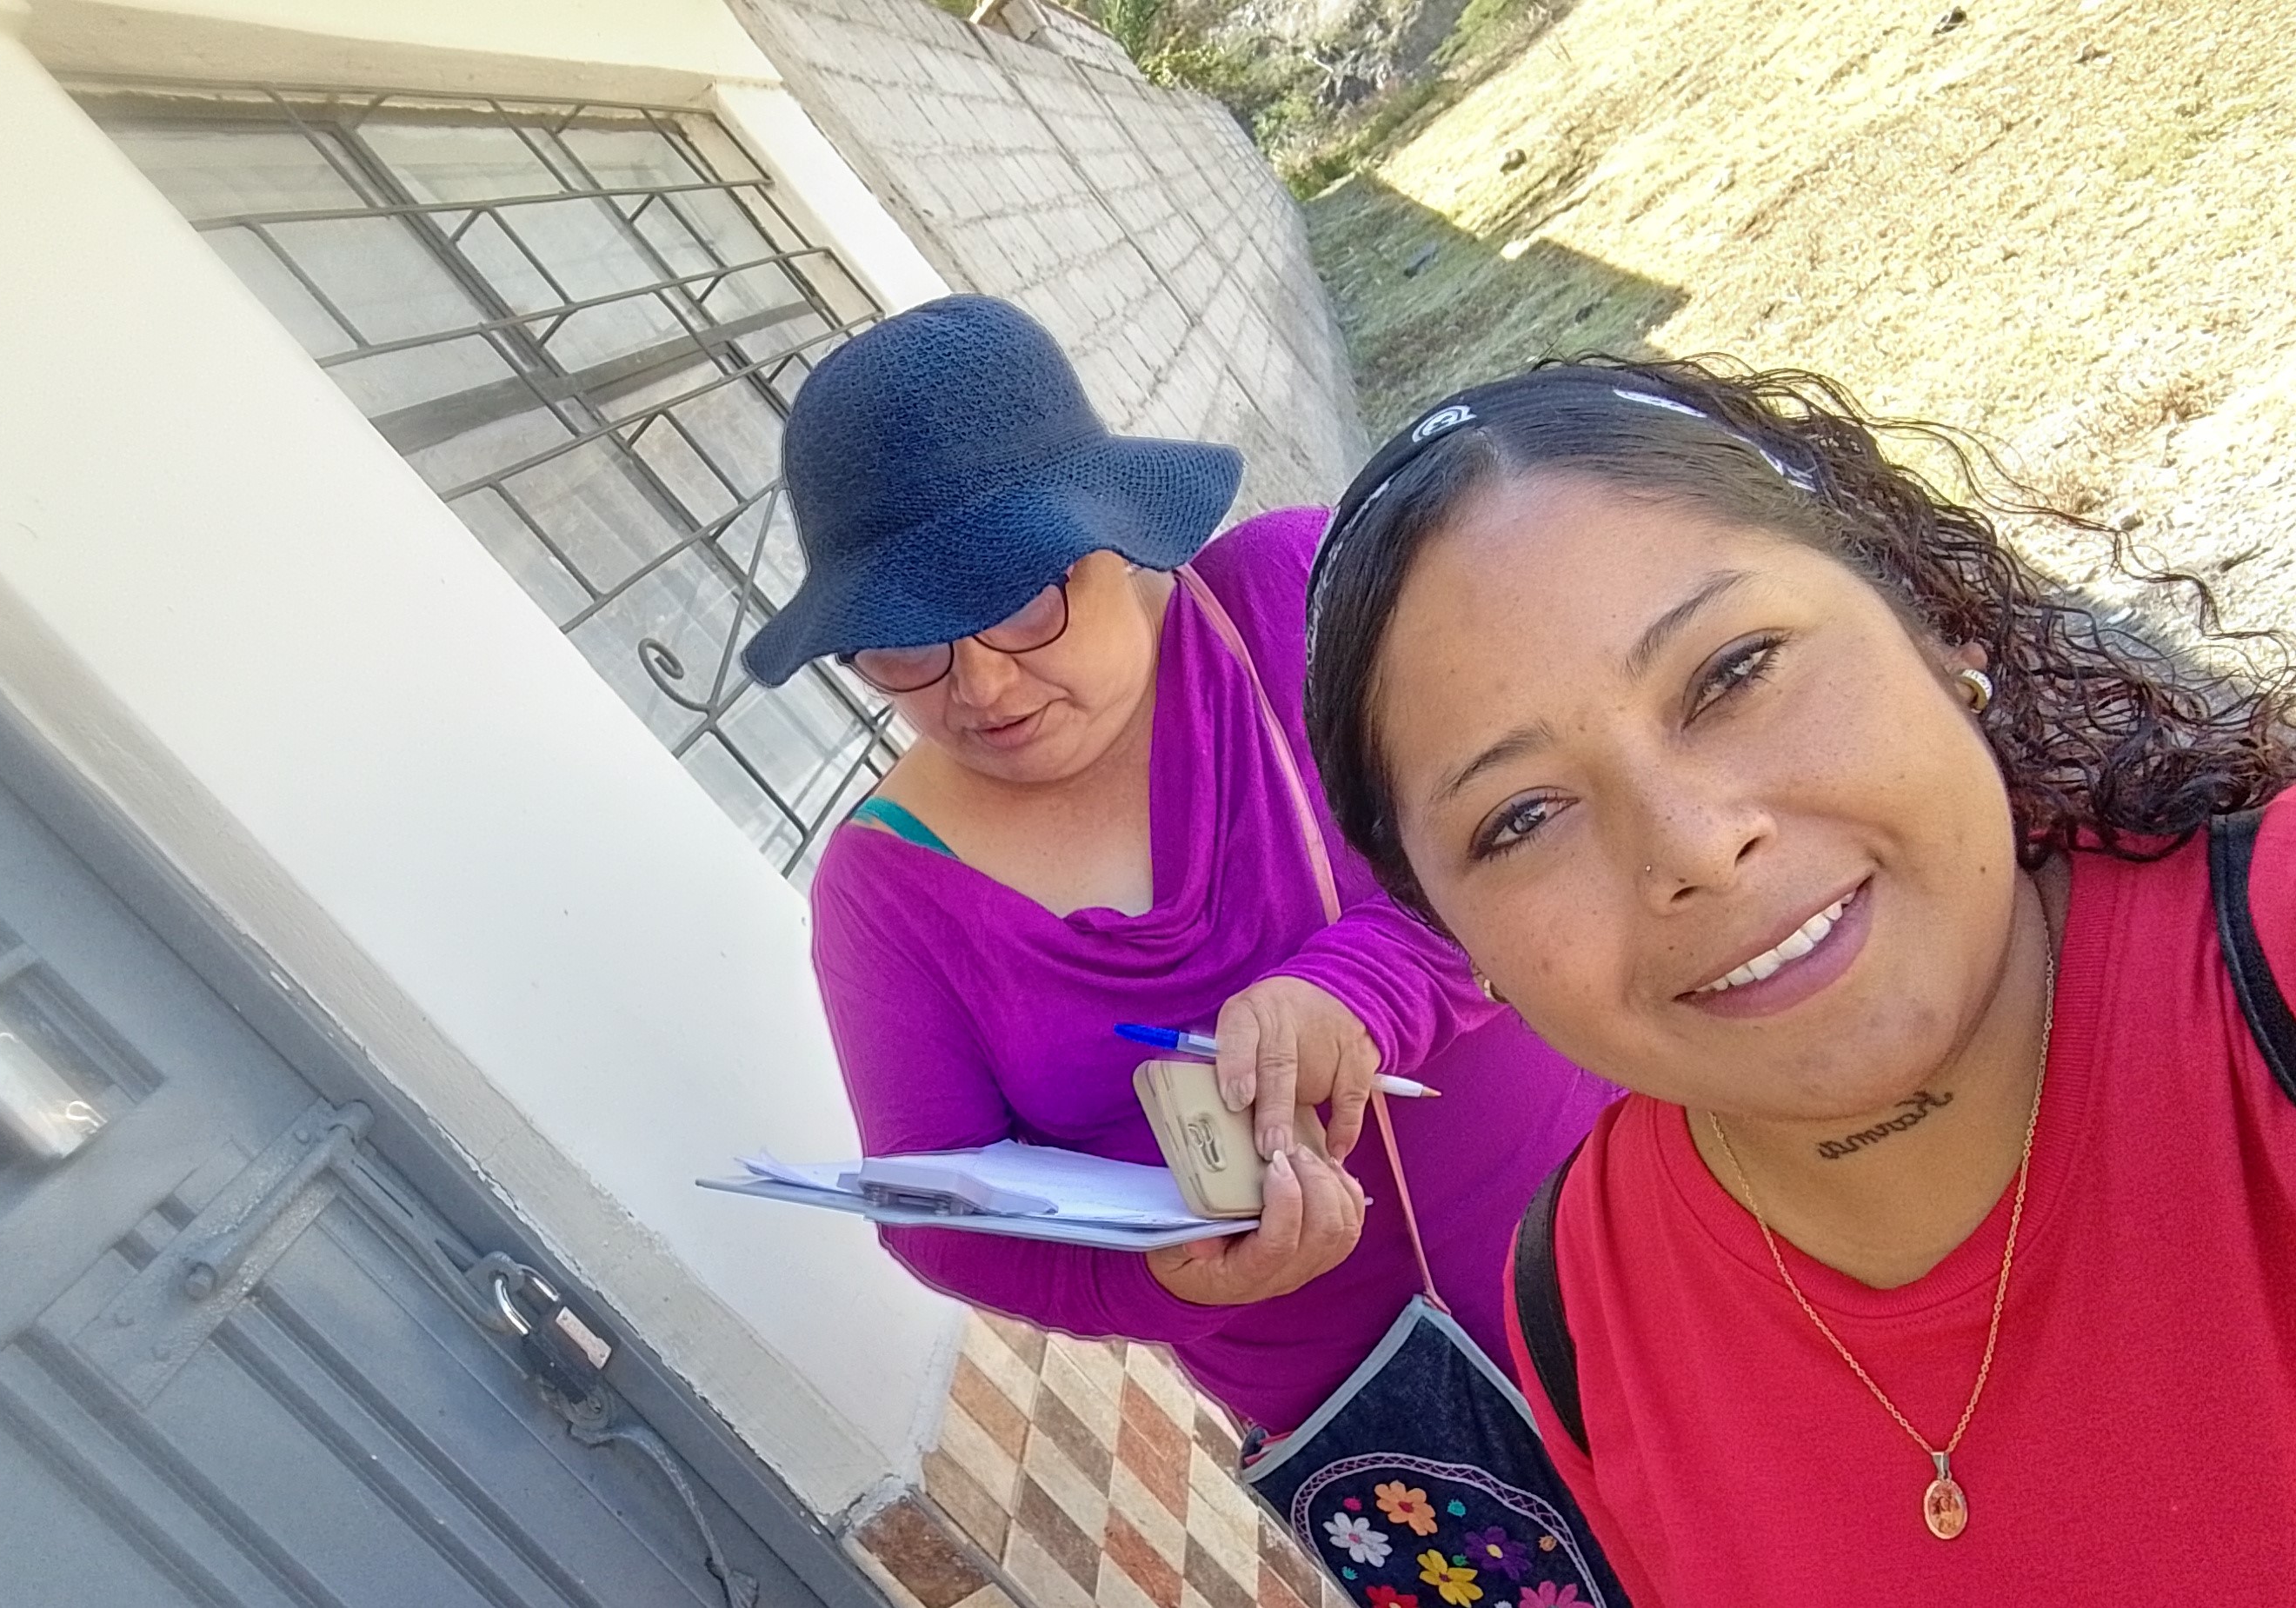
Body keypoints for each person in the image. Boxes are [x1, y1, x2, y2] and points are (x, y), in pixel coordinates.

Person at [1300, 355, 2296, 1597]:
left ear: (1928, 621)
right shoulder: (1581, 1297)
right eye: (1522, 818)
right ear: (1461, 940)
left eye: (1733, 673)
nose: (1694, 848)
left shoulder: (2270, 970)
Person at [739, 294, 1615, 1439]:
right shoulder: (883, 892)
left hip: (1621, 1224)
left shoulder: (1296, 595)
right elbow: (935, 1213)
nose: (982, 687)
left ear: (1116, 529)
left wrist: (1360, 990)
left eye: (1024, 603)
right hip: (1384, 1429)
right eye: (905, 645)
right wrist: (1164, 1284)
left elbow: (1552, 823)